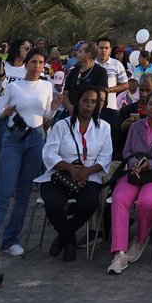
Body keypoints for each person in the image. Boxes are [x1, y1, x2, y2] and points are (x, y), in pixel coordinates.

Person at [0, 50, 55, 261]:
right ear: (27, 64)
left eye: (40, 62)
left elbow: (46, 115)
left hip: (36, 138)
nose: (37, 66)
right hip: (13, 138)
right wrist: (4, 113)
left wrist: (54, 109)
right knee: (3, 193)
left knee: (23, 194)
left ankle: (11, 239)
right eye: (33, 62)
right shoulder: (13, 86)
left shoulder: (48, 86)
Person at [107, 90, 152, 275]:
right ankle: (119, 252)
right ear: (146, 106)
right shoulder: (136, 126)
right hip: (134, 172)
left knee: (147, 202)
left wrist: (150, 164)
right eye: (151, 104)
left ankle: (141, 238)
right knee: (119, 199)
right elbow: (127, 151)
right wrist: (134, 164)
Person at [37, 88, 113, 262]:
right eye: (85, 100)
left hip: (89, 176)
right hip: (60, 175)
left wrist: (87, 171)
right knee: (53, 203)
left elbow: (105, 156)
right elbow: (49, 153)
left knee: (89, 203)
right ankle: (69, 240)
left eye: (93, 102)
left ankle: (63, 235)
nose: (89, 105)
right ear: (78, 101)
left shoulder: (103, 127)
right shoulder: (61, 125)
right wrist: (70, 168)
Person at [61, 42, 108, 109]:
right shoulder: (73, 71)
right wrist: (69, 107)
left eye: (80, 51)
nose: (76, 53)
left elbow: (101, 96)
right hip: (69, 113)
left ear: (88, 54)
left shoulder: (100, 72)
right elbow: (65, 93)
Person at [95, 37, 129, 105]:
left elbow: (125, 85)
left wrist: (110, 90)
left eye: (106, 48)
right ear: (97, 48)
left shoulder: (117, 64)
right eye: (101, 48)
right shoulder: (91, 64)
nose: (104, 50)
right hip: (92, 107)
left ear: (110, 49)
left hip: (110, 106)